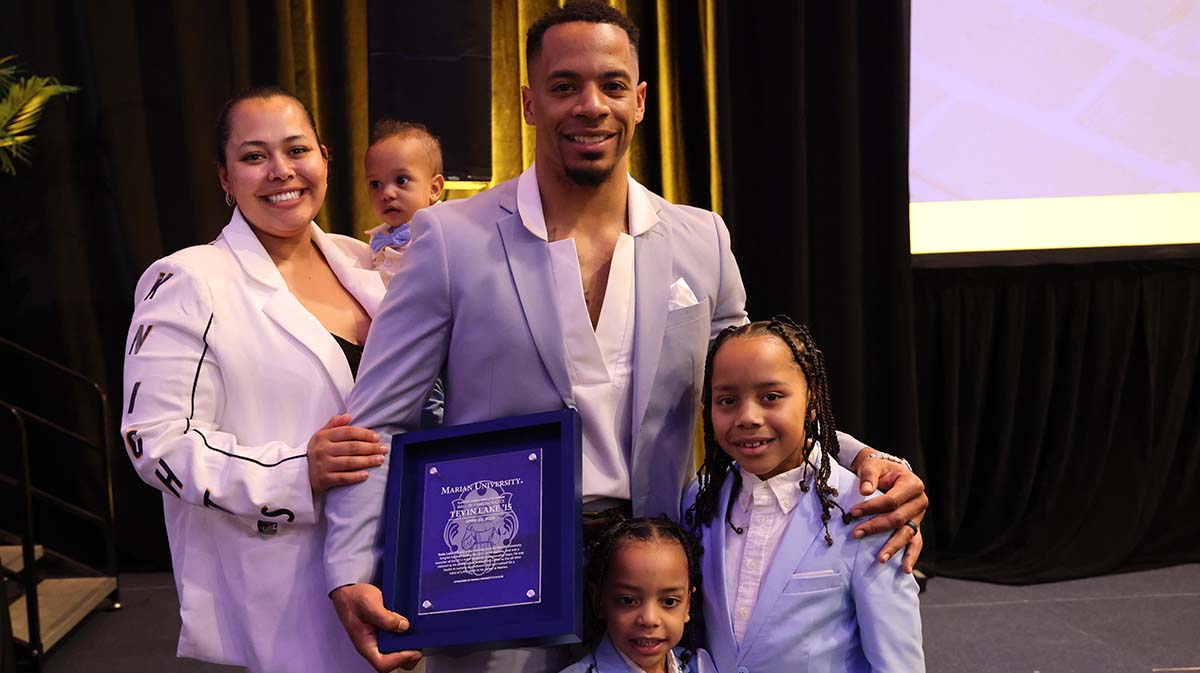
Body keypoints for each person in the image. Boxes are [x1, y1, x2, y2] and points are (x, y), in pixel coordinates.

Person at [324, 3, 926, 672]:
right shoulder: (449, 241)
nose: (591, 106)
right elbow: (376, 421)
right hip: (495, 586)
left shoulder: (702, 240)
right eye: (564, 86)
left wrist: (867, 457)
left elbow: (751, 399)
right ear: (528, 102)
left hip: (652, 587)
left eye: (612, 86)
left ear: (639, 101)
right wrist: (350, 567)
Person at [121, 85, 387, 673]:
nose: (281, 171)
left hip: (402, 559)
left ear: (325, 157)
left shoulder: (368, 264)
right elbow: (156, 443)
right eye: (253, 156)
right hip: (288, 588)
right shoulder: (189, 280)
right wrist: (296, 472)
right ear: (224, 177)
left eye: (297, 150)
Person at [684, 317, 925, 672]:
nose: (747, 417)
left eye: (771, 397)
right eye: (727, 400)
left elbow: (897, 662)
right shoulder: (699, 500)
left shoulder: (866, 509)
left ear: (811, 402)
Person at [559, 517, 716, 673]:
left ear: (687, 604)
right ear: (598, 601)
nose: (649, 619)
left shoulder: (701, 667)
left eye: (669, 602)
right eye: (628, 600)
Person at [363, 119, 446, 284]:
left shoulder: (444, 233)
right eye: (375, 184)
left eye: (401, 180)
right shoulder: (375, 240)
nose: (386, 194)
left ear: (434, 188)